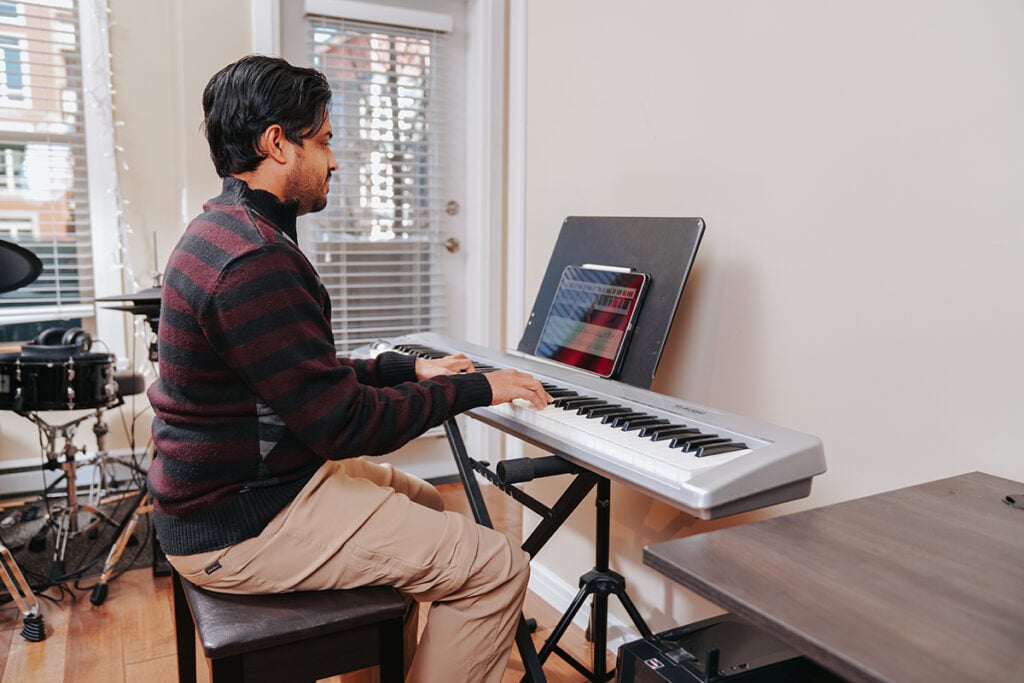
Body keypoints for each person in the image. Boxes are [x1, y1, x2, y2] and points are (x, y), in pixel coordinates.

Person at [146, 54, 551, 683]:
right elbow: (345, 426)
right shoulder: (255, 260)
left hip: (229, 494)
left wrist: (403, 371)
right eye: (326, 140)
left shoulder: (220, 230)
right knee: (496, 565)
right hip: (236, 524)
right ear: (277, 143)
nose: (334, 160)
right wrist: (474, 388)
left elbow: (293, 372)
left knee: (421, 496)